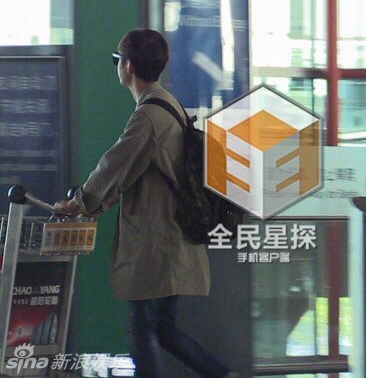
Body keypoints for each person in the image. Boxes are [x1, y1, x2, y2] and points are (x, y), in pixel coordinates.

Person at [54, 29, 240, 378]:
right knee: (164, 330)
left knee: (142, 331)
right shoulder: (168, 104)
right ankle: (222, 374)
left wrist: (80, 201)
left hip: (156, 241)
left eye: (117, 59)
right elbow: (140, 172)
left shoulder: (148, 116)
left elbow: (115, 165)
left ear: (127, 65)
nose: (117, 66)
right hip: (173, 237)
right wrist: (103, 202)